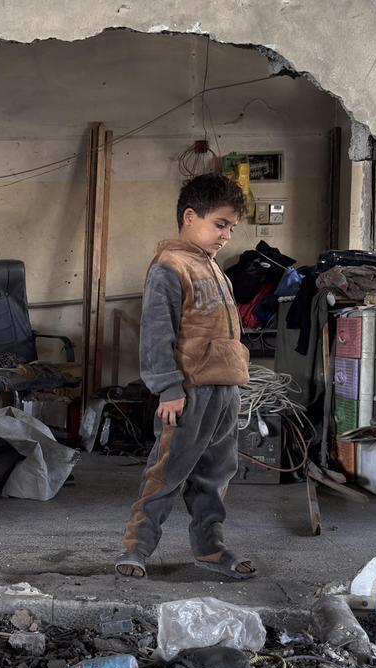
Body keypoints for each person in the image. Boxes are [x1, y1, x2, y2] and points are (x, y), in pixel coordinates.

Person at [115, 173, 255, 580]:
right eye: (220, 224)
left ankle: (209, 548)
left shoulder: (215, 268)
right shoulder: (170, 267)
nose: (226, 235)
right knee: (167, 472)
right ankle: (136, 548)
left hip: (226, 390)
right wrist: (169, 388)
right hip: (190, 392)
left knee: (215, 474)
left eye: (231, 227)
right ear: (190, 216)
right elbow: (157, 335)